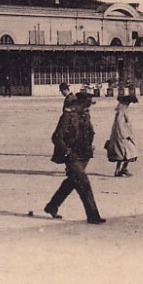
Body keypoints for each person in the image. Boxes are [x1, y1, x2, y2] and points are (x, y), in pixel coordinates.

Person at [44, 92, 105, 224]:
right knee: (83, 182)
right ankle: (93, 215)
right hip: (72, 155)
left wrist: (90, 145)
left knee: (72, 181)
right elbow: (56, 137)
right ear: (79, 104)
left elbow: (90, 132)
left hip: (84, 155)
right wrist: (67, 152)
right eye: (86, 105)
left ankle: (52, 206)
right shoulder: (67, 116)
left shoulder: (85, 115)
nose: (88, 108)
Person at [105, 95, 139, 176]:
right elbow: (119, 124)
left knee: (122, 154)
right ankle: (122, 169)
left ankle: (119, 170)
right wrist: (126, 135)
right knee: (129, 152)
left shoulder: (121, 110)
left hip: (120, 135)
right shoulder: (121, 111)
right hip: (122, 136)